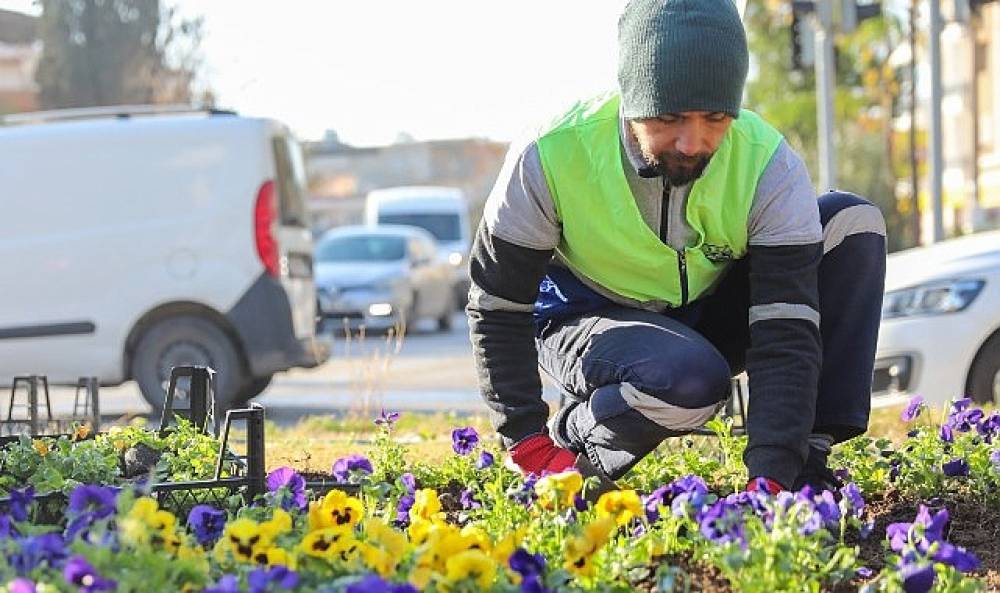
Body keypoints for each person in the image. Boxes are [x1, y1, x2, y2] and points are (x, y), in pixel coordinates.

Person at [466, 0, 886, 494]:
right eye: (668, 118)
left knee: (851, 223)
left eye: (714, 118)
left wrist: (773, 472)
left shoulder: (768, 163)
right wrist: (528, 442)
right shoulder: (550, 154)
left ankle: (806, 463)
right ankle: (576, 436)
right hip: (583, 318)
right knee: (689, 383)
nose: (693, 142)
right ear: (632, 100)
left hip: (704, 313)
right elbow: (496, 306)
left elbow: (786, 328)